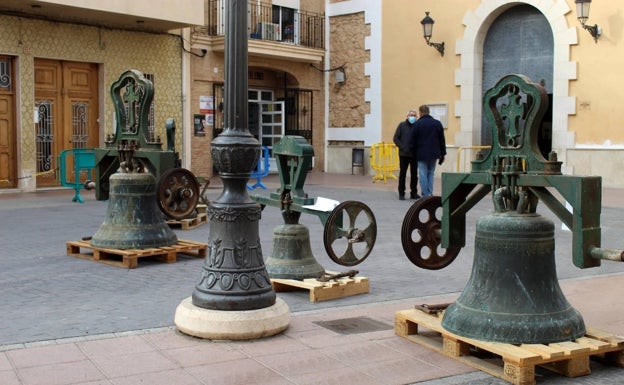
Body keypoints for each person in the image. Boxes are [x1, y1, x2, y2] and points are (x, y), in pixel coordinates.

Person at [413, 105, 446, 197]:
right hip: (434, 153)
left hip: (421, 153)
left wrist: (412, 153)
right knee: (431, 173)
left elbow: (412, 140)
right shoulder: (437, 123)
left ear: (420, 112)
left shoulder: (417, 124)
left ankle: (425, 194)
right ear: (428, 112)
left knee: (423, 174)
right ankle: (430, 192)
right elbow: (442, 140)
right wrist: (443, 153)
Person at [393, 109, 420, 200]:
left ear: (417, 117)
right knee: (402, 174)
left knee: (414, 175)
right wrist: (403, 147)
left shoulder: (417, 126)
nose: (412, 117)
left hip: (414, 155)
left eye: (414, 115)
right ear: (407, 116)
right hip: (403, 154)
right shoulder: (401, 125)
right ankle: (401, 193)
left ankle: (414, 193)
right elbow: (396, 138)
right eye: (410, 115)